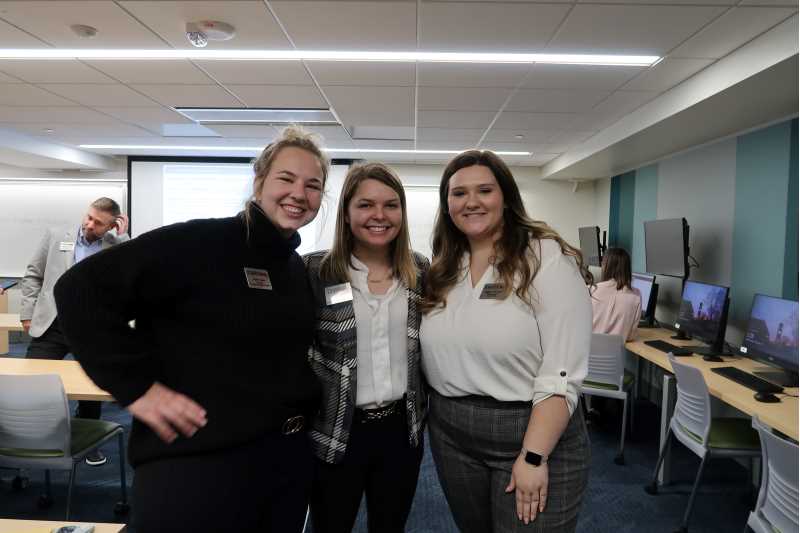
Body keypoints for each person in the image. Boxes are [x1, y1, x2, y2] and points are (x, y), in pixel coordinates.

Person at [53, 126, 328, 533]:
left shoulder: (291, 266)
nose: (299, 194)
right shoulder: (200, 242)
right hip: (198, 464)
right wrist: (138, 387)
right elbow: (79, 290)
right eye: (286, 179)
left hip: (279, 462)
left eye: (313, 185)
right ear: (259, 181)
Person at [420, 150, 593, 533]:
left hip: (530, 430)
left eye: (484, 190)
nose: (471, 202)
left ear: (506, 196)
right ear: (446, 204)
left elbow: (562, 369)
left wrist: (533, 456)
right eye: (459, 193)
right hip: (451, 432)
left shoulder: (545, 257)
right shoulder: (445, 265)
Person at [304, 163, 429, 533]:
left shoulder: (420, 272)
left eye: (391, 205)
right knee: (331, 525)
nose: (379, 215)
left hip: (400, 431)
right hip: (336, 429)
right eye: (365, 205)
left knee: (390, 526)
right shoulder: (315, 271)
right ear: (346, 213)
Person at [19, 197, 129, 466]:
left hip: (90, 326)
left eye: (98, 223)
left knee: (91, 384)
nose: (89, 225)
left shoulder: (115, 246)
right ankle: (31, 437)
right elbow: (33, 274)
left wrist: (124, 238)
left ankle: (90, 441)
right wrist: (27, 313)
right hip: (52, 323)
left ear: (112, 225)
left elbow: (130, 274)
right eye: (89, 217)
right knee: (33, 381)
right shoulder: (57, 236)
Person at [591, 247, 641, 341]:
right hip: (617, 354)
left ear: (605, 266)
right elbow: (631, 336)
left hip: (588, 353)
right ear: (627, 269)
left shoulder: (591, 290)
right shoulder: (636, 295)